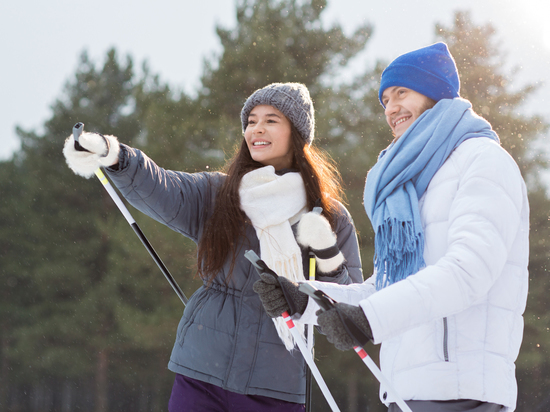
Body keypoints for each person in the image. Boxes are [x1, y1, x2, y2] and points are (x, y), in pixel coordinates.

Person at [254, 43, 529, 412]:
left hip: (463, 393)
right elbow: (388, 288)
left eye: (402, 92)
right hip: (404, 391)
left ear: (436, 92)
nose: (391, 108)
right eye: (385, 99)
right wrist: (305, 298)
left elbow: (469, 272)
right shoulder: (413, 186)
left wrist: (371, 320)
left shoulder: (483, 161)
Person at [62, 82, 363, 411]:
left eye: (271, 120)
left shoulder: (329, 215)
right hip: (201, 373)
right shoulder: (220, 195)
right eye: (251, 121)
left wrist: (328, 256)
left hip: (275, 386)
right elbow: (163, 187)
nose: (256, 129)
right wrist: (116, 155)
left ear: (297, 133)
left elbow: (349, 308)